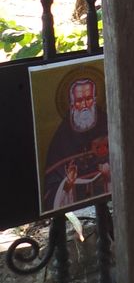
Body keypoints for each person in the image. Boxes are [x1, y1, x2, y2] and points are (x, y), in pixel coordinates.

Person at [43, 76, 110, 212]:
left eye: (89, 99)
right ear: (72, 104)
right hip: (75, 206)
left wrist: (109, 172)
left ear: (95, 99)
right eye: (79, 101)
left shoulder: (106, 122)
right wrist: (68, 183)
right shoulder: (62, 136)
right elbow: (51, 186)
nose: (85, 105)